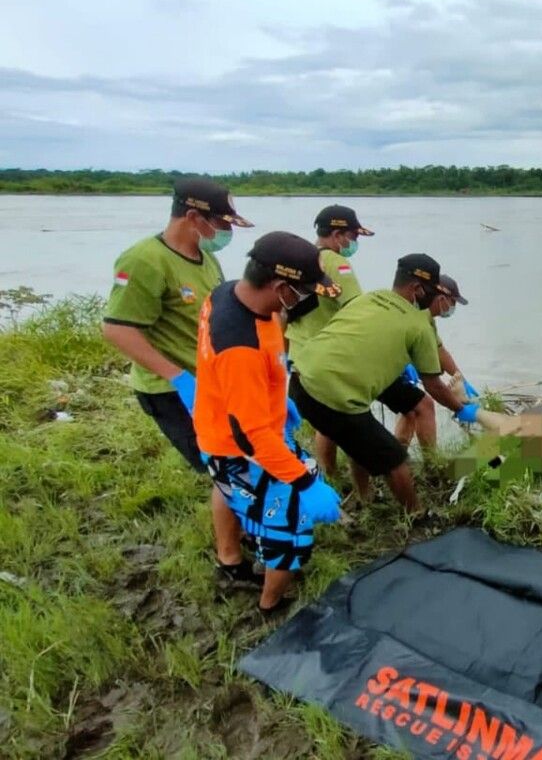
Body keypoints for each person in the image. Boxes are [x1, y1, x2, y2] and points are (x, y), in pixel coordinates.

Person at [102, 176, 262, 586]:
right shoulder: (143, 261)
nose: (226, 233)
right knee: (229, 470)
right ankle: (230, 565)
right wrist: (179, 378)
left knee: (243, 461)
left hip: (213, 384)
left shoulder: (206, 257)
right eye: (221, 224)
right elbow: (118, 330)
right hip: (172, 391)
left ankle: (244, 532)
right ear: (193, 216)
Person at [193, 231, 344, 614]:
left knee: (238, 496)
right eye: (304, 290)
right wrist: (306, 485)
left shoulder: (226, 292)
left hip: (240, 421)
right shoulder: (240, 348)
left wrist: (278, 396)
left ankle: (244, 552)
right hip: (240, 446)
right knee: (291, 530)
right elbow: (252, 437)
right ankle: (271, 605)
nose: (307, 298)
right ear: (280, 287)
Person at [288, 253, 478, 511]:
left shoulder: (369, 298)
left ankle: (365, 496)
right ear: (417, 288)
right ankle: (417, 514)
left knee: (360, 439)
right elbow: (433, 385)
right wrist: (461, 409)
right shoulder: (418, 324)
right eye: (430, 290)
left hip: (300, 378)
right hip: (330, 393)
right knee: (395, 461)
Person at [283, 204, 374, 488]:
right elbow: (356, 311)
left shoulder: (299, 262)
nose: (354, 243)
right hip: (331, 360)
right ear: (337, 234)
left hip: (300, 357)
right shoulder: (337, 263)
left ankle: (331, 479)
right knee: (356, 427)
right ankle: (364, 493)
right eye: (353, 236)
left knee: (325, 425)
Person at [394, 272, 480, 450]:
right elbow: (433, 385)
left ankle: (398, 458)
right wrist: (459, 408)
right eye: (453, 302)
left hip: (397, 369)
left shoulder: (428, 319)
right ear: (442, 298)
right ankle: (431, 464)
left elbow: (440, 350)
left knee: (411, 410)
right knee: (423, 405)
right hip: (389, 368)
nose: (453, 307)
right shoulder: (415, 315)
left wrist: (460, 377)